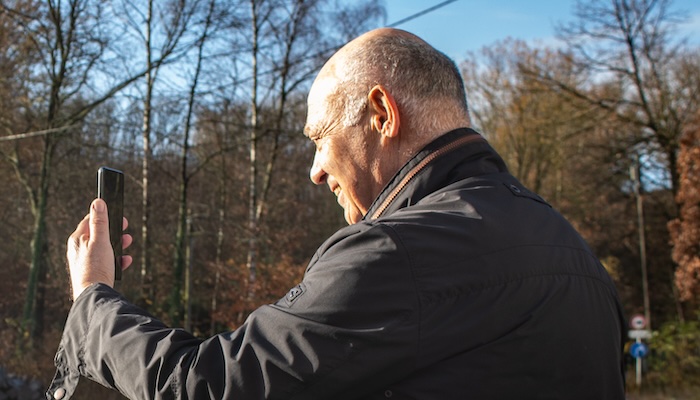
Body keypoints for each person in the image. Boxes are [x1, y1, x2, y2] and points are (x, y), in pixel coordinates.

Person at [48, 28, 626, 400]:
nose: (316, 170)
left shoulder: (398, 252)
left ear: (381, 113)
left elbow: (208, 387)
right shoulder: (575, 254)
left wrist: (94, 298)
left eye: (321, 137)